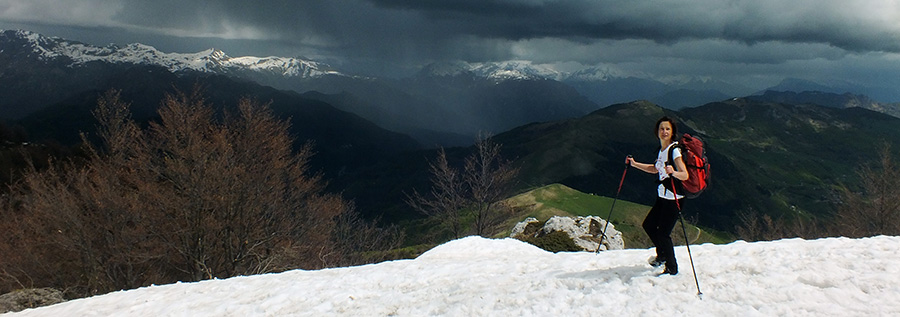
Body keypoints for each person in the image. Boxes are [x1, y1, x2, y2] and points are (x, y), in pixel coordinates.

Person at [625, 116, 689, 276]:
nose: (664, 131)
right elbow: (655, 169)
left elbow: (685, 175)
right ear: (657, 132)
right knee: (649, 225)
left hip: (674, 199)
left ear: (672, 132)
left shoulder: (675, 151)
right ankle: (662, 255)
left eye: (667, 129)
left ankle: (672, 267)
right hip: (663, 197)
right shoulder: (662, 151)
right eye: (662, 128)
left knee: (663, 233)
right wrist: (634, 164)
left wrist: (673, 172)